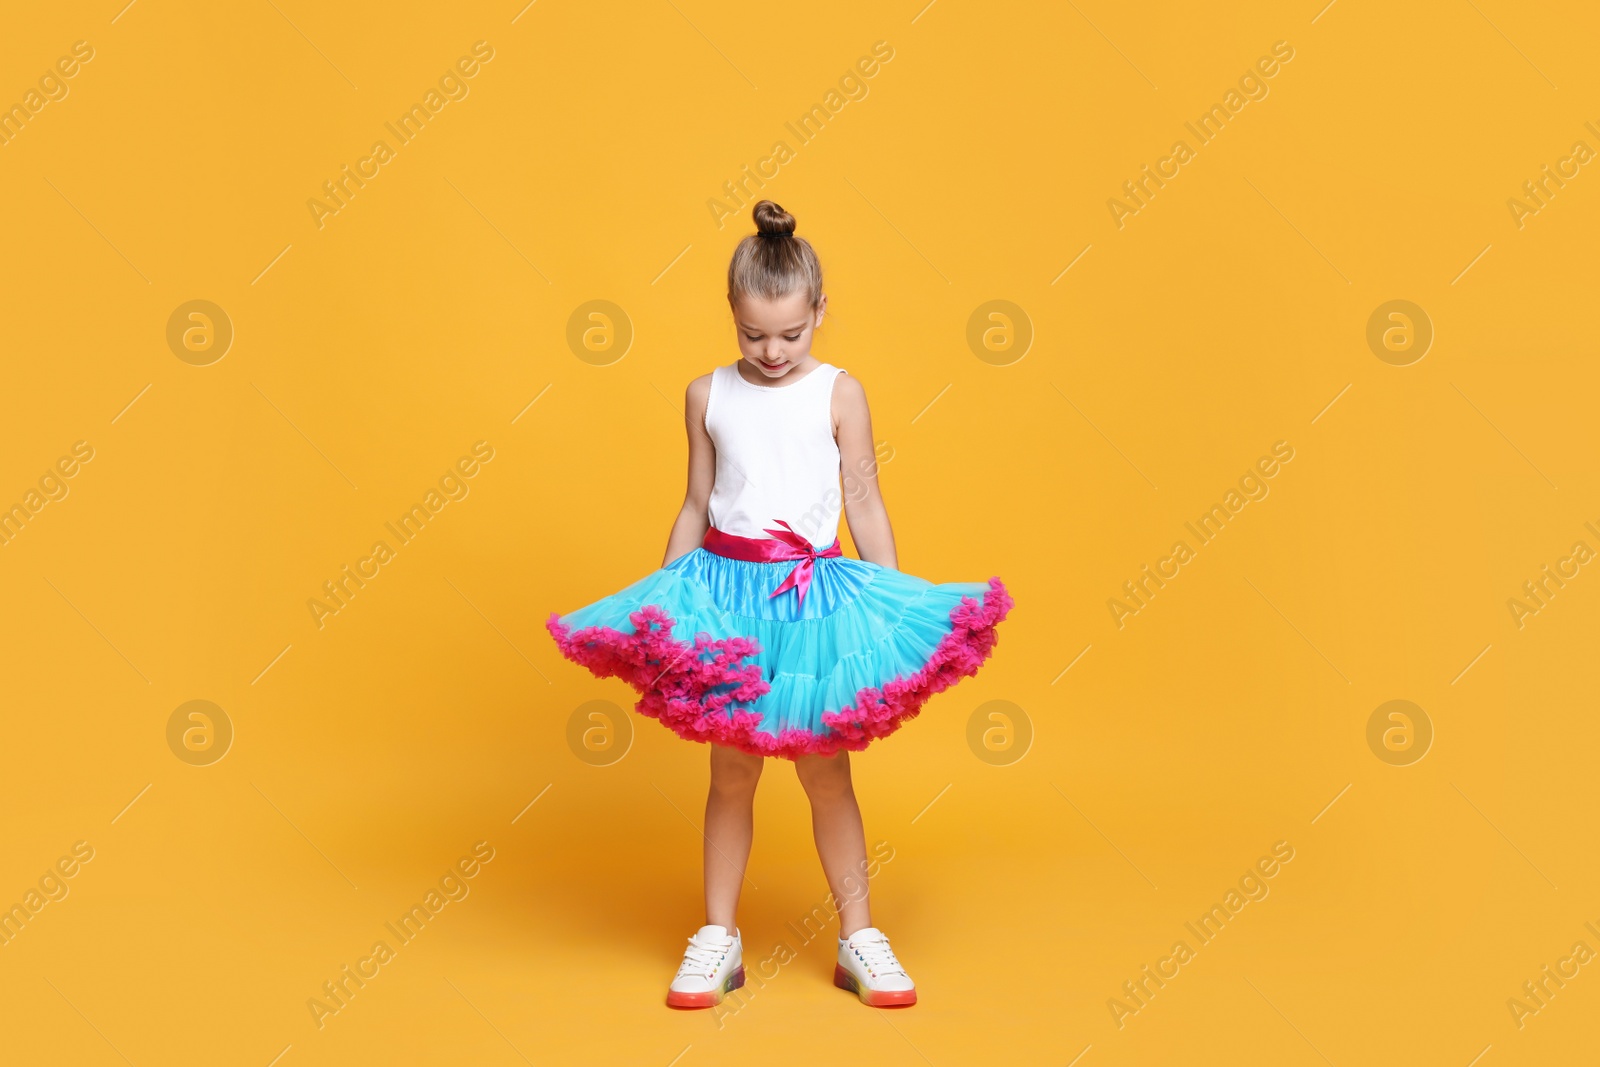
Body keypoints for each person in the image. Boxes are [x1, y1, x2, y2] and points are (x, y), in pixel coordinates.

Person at [546, 199, 1013, 1010]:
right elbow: (696, 503)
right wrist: (663, 609)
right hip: (725, 598)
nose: (771, 351)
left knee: (826, 773)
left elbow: (863, 501)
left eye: (791, 334)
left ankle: (859, 935)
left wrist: (891, 602)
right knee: (731, 773)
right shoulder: (706, 395)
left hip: (812, 598)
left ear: (820, 313)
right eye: (754, 334)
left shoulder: (840, 391)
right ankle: (717, 936)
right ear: (732, 316)